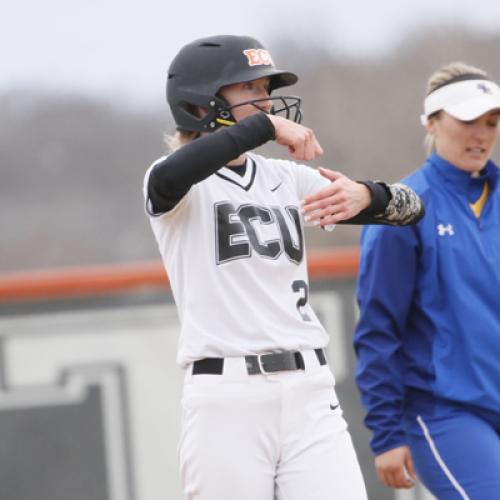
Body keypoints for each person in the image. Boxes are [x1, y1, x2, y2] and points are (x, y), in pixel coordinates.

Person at [143, 34, 423, 500]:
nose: (267, 101)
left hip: (309, 390)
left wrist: (369, 195)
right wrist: (264, 129)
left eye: (265, 88)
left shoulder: (284, 178)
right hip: (226, 396)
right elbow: (174, 175)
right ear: (200, 103)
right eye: (249, 89)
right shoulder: (172, 179)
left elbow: (412, 208)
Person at [350, 62, 500, 499]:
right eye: (468, 120)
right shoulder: (405, 210)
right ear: (433, 122)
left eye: (491, 122)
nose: (481, 135)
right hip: (444, 412)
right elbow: (378, 330)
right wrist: (386, 432)